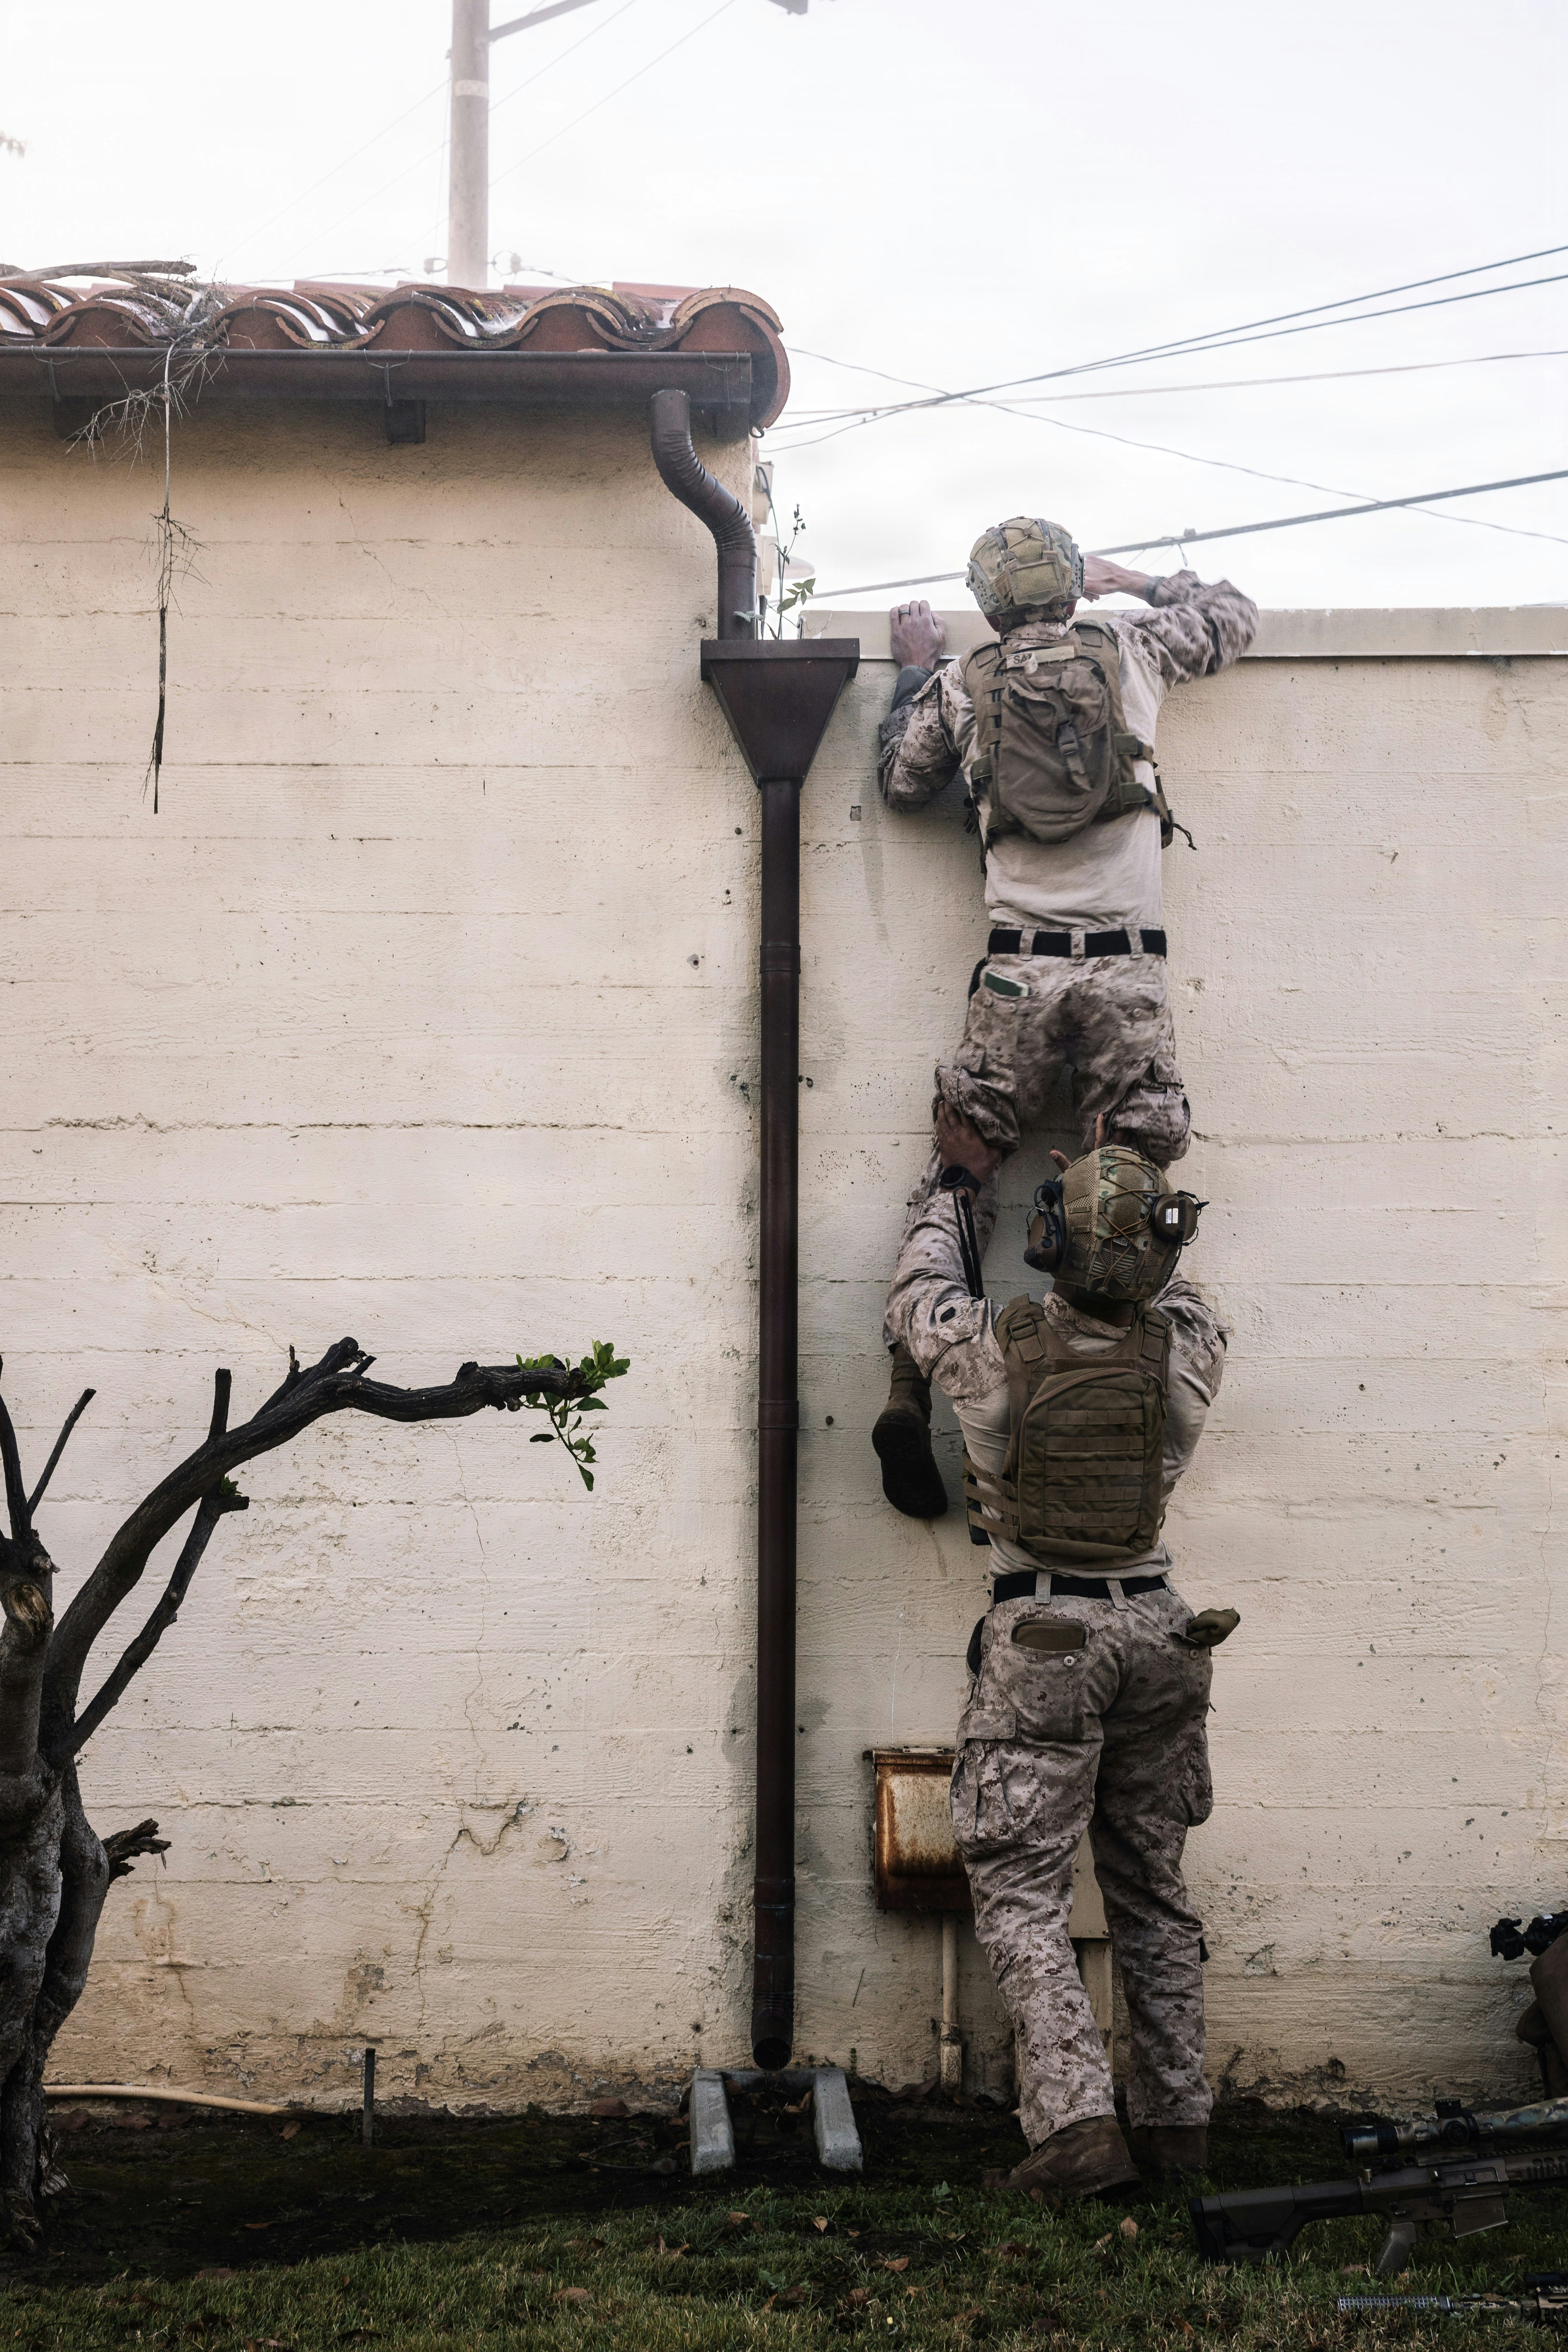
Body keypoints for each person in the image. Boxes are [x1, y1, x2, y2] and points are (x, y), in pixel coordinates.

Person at [872, 518, 1256, 1520]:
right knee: (1127, 1189)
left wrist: (915, 672)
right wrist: (1131, 578)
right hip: (1127, 973)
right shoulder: (1130, 649)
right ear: (1071, 591)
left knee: (964, 1163)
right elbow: (1233, 616)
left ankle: (908, 1389)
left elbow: (903, 784)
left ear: (990, 604)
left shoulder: (965, 681)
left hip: (1018, 975)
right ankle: (1120, 1394)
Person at [887, 1097, 1233, 2200]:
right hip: (1161, 1630)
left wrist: (954, 1188)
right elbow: (1170, 1277)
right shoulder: (1191, 1347)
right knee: (1151, 1888)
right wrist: (1120, 1185)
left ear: (1050, 1247)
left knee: (1024, 1888)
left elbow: (917, 1297)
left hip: (1047, 1631)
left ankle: (1078, 2126)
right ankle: (1180, 2128)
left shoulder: (991, 1346)